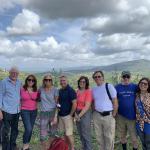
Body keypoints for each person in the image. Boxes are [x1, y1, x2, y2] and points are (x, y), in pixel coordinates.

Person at [92, 70, 118, 150]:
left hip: (108, 115)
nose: (97, 78)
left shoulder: (108, 86)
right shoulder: (94, 89)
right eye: (95, 77)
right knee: (99, 137)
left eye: (99, 76)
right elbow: (93, 102)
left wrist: (113, 114)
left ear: (103, 77)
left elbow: (115, 101)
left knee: (109, 137)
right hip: (97, 115)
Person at [115, 71, 138, 150]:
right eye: (124, 76)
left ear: (130, 77)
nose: (126, 78)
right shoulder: (117, 87)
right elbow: (113, 99)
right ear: (122, 77)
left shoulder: (135, 86)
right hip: (120, 116)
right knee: (122, 136)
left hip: (132, 117)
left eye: (127, 76)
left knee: (134, 138)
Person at [0, 67, 22, 150]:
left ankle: (12, 146)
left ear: (18, 74)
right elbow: (0, 95)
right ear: (9, 73)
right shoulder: (4, 82)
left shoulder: (19, 82)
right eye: (13, 72)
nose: (14, 74)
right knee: (5, 131)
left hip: (16, 111)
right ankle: (5, 148)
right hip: (6, 111)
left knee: (15, 130)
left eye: (16, 73)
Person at [39, 74, 58, 150]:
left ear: (51, 81)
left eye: (49, 80)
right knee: (43, 134)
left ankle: (50, 148)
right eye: (46, 80)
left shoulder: (55, 90)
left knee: (52, 133)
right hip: (43, 113)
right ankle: (45, 148)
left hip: (53, 113)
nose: (48, 81)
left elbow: (57, 104)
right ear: (44, 81)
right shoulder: (41, 89)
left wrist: (56, 116)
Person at [58, 75, 77, 150]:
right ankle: (65, 147)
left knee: (69, 134)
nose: (62, 82)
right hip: (60, 115)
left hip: (68, 116)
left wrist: (71, 115)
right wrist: (58, 107)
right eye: (61, 80)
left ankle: (72, 148)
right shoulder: (60, 91)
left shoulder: (71, 90)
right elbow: (59, 102)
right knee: (62, 134)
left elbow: (74, 103)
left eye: (64, 80)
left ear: (67, 81)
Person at [20, 74, 39, 150]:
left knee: (30, 128)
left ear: (34, 82)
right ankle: (24, 146)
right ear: (26, 80)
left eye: (33, 80)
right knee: (28, 128)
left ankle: (27, 145)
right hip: (24, 111)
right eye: (29, 80)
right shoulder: (22, 89)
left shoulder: (36, 90)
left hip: (34, 111)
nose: (31, 81)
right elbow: (18, 99)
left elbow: (38, 100)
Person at [75, 76, 92, 150]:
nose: (82, 83)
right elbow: (74, 104)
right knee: (80, 133)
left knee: (86, 134)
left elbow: (87, 106)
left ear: (86, 83)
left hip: (85, 113)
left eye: (83, 82)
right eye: (80, 81)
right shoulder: (77, 91)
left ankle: (88, 148)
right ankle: (84, 147)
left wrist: (79, 116)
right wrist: (75, 114)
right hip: (77, 113)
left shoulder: (88, 91)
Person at [135, 77, 150, 150]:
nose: (143, 85)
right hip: (139, 123)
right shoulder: (136, 95)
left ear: (148, 86)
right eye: (141, 83)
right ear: (139, 84)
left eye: (145, 84)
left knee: (148, 143)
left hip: (148, 123)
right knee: (143, 142)